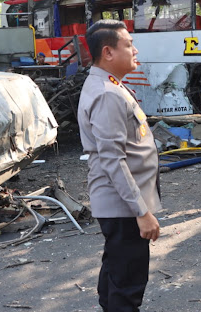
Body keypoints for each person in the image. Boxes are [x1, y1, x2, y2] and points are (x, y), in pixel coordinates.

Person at [77, 20, 161, 312]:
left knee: (116, 274)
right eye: (128, 45)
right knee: (128, 284)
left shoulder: (110, 85)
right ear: (108, 52)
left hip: (120, 203)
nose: (135, 50)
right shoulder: (107, 94)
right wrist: (141, 212)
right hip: (124, 206)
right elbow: (113, 159)